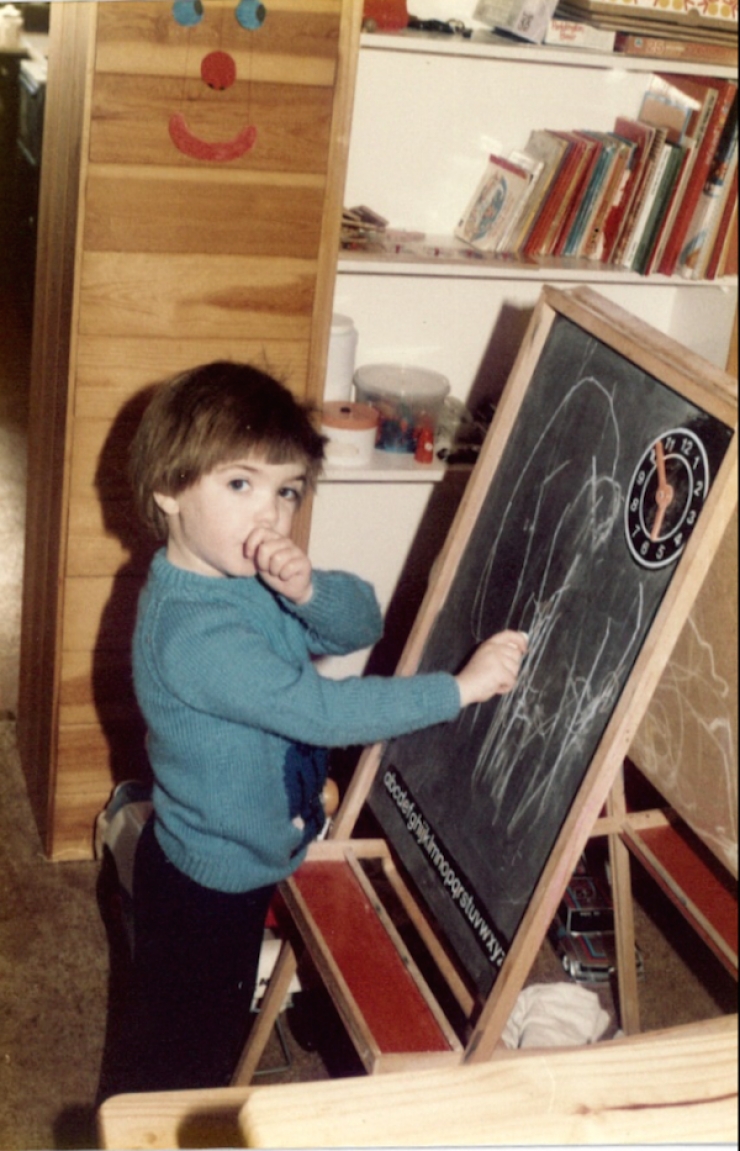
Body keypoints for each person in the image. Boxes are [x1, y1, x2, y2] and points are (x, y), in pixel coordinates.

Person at [99, 360, 527, 1097]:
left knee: (186, 1038)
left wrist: (306, 586)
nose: (269, 515)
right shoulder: (195, 634)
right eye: (240, 485)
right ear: (167, 489)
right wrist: (458, 689)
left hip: (242, 855)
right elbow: (322, 711)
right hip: (210, 884)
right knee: (183, 1064)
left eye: (286, 490)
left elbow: (363, 620)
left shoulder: (241, 574)